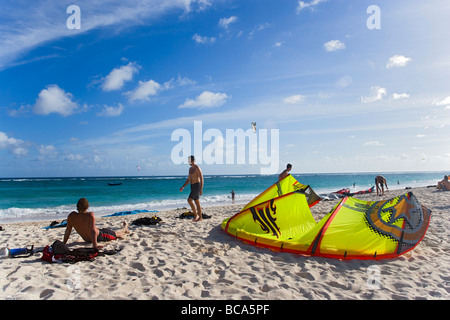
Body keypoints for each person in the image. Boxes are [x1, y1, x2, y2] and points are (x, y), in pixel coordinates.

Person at [63, 198, 129, 251]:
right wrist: (95, 245)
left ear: (77, 207)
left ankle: (125, 228)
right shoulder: (89, 215)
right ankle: (125, 229)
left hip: (94, 236)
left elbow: (68, 230)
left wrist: (64, 243)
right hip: (100, 235)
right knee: (116, 234)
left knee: (115, 233)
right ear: (87, 207)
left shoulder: (71, 216)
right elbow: (93, 231)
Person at [180, 155, 204, 222]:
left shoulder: (197, 168)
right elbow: (188, 180)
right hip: (192, 186)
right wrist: (183, 186)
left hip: (197, 186)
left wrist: (201, 189)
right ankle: (200, 218)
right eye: (188, 162)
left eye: (189, 161)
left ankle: (195, 215)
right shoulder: (190, 169)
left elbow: (202, 179)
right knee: (197, 201)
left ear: (193, 161)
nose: (189, 163)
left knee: (189, 200)